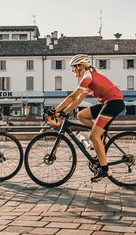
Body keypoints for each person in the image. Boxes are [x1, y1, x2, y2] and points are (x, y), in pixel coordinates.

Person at [51, 54, 125, 182]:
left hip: (114, 103)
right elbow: (78, 100)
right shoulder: (88, 76)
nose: (73, 71)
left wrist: (55, 110)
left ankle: (105, 170)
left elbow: (72, 97)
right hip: (108, 103)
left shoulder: (88, 76)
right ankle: (98, 132)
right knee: (81, 115)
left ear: (80, 66)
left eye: (73, 68)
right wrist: (65, 112)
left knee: (93, 136)